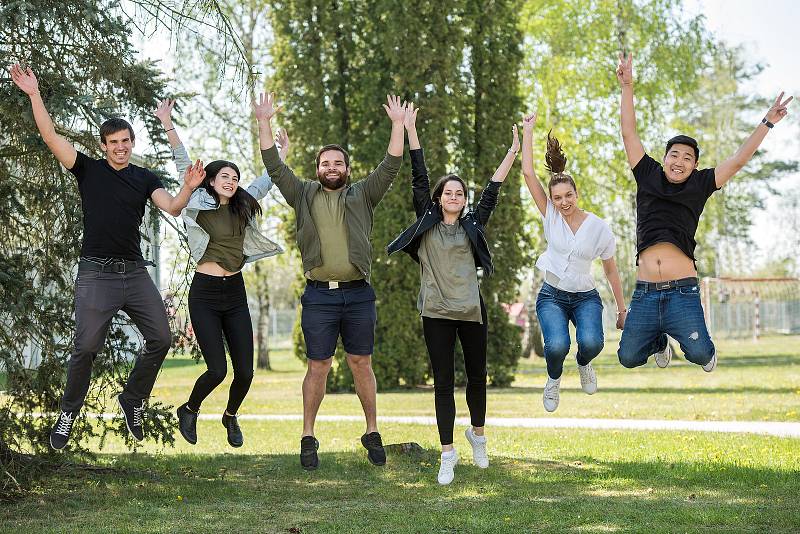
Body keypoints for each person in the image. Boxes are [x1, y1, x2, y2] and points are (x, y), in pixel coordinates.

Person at [10, 65, 205, 449]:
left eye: (126, 141)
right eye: (113, 142)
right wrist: (35, 94)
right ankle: (68, 412)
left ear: (132, 143)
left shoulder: (145, 177)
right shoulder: (88, 170)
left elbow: (175, 208)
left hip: (133, 274)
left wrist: (187, 186)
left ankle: (133, 398)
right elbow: (50, 136)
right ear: (103, 145)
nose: (120, 147)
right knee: (85, 347)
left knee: (161, 338)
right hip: (96, 274)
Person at [255, 91, 406, 470]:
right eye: (326, 163)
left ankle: (372, 430)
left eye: (338, 163)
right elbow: (274, 166)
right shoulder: (303, 193)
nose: (332, 167)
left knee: (360, 362)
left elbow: (390, 166)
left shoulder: (363, 196)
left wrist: (399, 126)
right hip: (319, 296)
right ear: (318, 168)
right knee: (317, 366)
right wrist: (264, 122)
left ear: (348, 170)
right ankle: (308, 436)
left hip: (358, 294)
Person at [615, 52, 792, 370]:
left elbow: (738, 160)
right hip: (645, 291)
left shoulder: (700, 183)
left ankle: (700, 347)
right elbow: (629, 133)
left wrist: (767, 122)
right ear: (665, 157)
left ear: (694, 164)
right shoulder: (647, 173)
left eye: (687, 157)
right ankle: (659, 342)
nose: (679, 161)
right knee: (627, 357)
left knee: (700, 356)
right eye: (674, 154)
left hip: (683, 290)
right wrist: (627, 86)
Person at [387, 105, 519, 485]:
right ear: (439, 197)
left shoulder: (472, 224)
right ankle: (448, 453)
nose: (454, 196)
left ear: (464, 200)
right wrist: (411, 128)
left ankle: (477, 435)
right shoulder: (426, 223)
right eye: (449, 192)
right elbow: (419, 175)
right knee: (443, 382)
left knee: (478, 377)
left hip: (471, 311)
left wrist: (511, 151)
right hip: (436, 312)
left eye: (460, 193)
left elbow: (493, 192)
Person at [153, 99, 285, 447]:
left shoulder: (243, 204)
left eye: (235, 177)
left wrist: (280, 153)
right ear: (210, 181)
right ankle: (190, 409)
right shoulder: (197, 203)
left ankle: (230, 416)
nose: (232, 181)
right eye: (224, 176)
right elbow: (184, 164)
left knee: (245, 371)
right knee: (217, 369)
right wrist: (167, 123)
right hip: (205, 294)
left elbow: (267, 179)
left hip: (235, 293)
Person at [521, 113, 626, 412]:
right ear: (551, 200)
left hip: (585, 298)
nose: (564, 202)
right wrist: (529, 132)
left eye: (569, 195)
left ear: (577, 194)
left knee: (592, 343)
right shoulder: (551, 215)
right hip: (552, 296)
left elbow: (610, 270)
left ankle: (584, 364)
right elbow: (528, 173)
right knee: (556, 346)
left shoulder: (599, 228)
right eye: (557, 197)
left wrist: (621, 310)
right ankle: (553, 380)